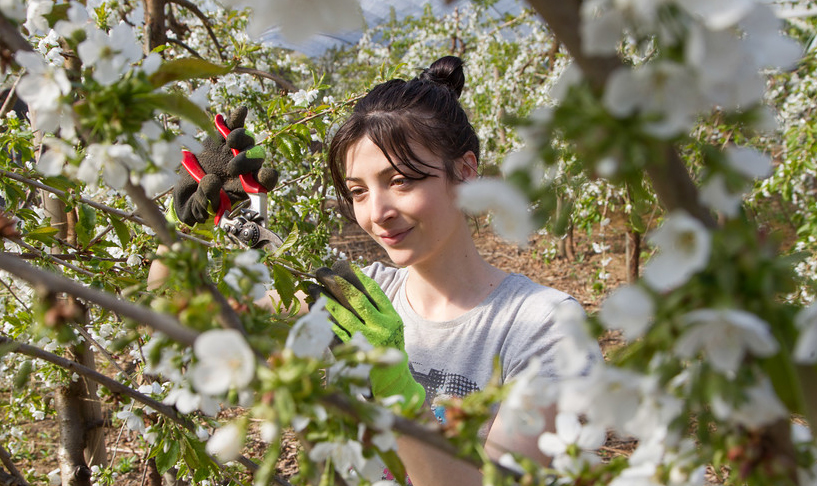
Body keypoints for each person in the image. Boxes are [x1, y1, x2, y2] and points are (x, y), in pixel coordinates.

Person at [312, 55, 600, 486]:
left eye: (401, 181)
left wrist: (396, 388)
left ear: (464, 172)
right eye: (358, 191)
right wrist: (217, 221)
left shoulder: (545, 327)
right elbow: (247, 300)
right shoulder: (372, 294)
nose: (377, 212)